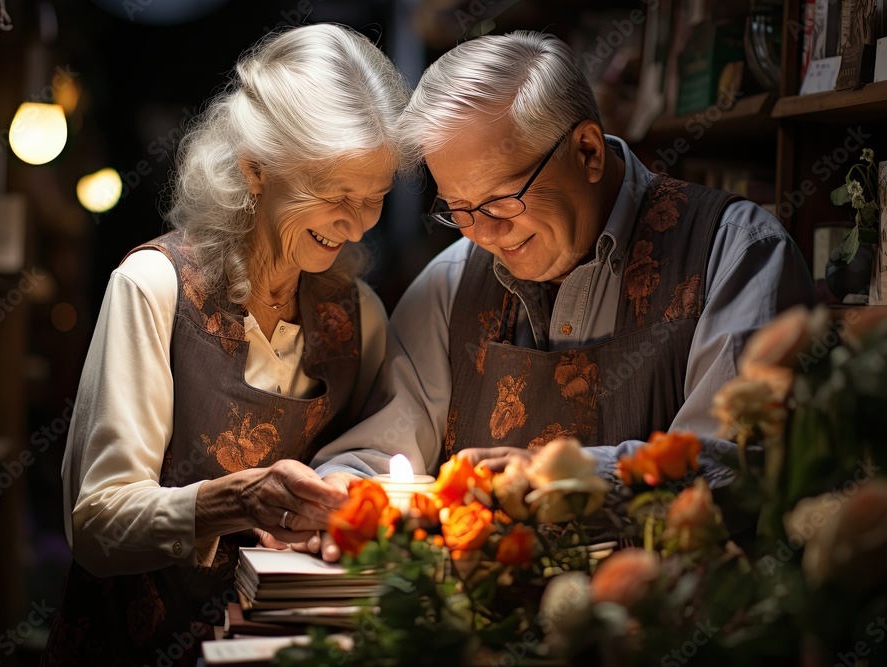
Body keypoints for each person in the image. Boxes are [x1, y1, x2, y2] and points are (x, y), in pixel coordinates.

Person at [42, 23, 410, 666]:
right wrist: (236, 500)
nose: (356, 225)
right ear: (255, 169)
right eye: (334, 195)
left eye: (374, 198)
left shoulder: (363, 320)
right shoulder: (154, 287)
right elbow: (96, 526)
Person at [312, 31, 813, 502]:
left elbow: (741, 466)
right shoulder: (451, 283)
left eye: (501, 201)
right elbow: (378, 448)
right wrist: (337, 491)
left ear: (588, 152)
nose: (483, 235)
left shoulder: (733, 253)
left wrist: (568, 479)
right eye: (458, 209)